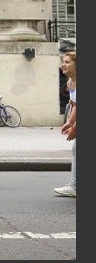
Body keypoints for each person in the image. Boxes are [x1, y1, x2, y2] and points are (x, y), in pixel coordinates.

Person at [54, 51, 76, 197]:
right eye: (63, 61)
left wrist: (74, 128)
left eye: (67, 62)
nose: (63, 64)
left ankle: (74, 186)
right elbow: (76, 104)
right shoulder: (70, 82)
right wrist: (69, 122)